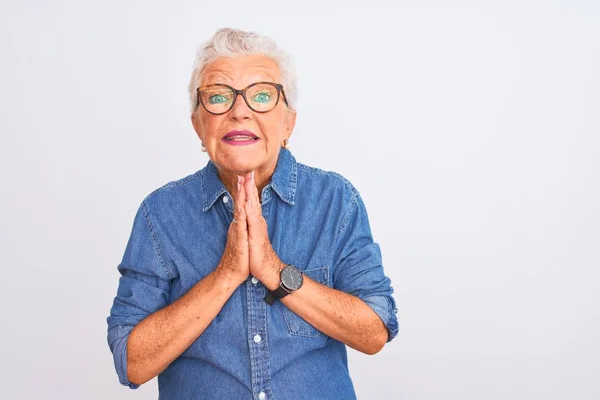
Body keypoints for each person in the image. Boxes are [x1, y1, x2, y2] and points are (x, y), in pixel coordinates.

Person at [106, 27, 399, 400]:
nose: (239, 111)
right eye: (218, 97)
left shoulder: (335, 200)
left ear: (288, 123)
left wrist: (275, 271)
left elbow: (375, 331)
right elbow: (131, 362)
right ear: (199, 125)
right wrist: (226, 274)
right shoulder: (160, 213)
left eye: (262, 95)